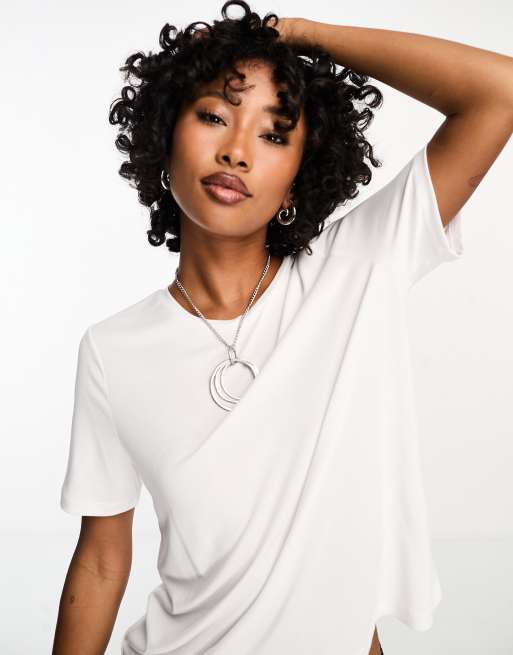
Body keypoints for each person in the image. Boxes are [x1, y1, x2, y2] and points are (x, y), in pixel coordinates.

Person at [52, 2, 513, 654]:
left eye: (274, 134)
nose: (236, 152)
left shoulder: (355, 268)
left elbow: (498, 91)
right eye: (214, 116)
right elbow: (102, 560)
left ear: (300, 176)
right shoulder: (112, 350)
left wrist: (302, 36)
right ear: (165, 135)